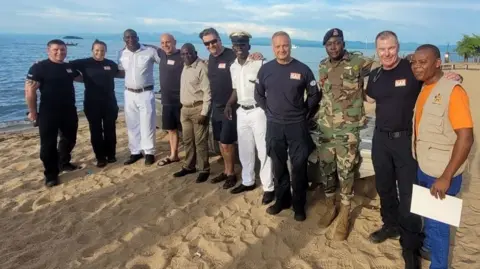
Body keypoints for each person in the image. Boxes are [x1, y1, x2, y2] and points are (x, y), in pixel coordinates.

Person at [365, 30, 463, 269]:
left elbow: (433, 78)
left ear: (397, 47)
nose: (386, 53)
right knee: (385, 187)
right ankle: (390, 224)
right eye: (382, 49)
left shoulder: (411, 69)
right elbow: (369, 100)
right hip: (380, 139)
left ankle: (410, 245)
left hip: (405, 141)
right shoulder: (375, 75)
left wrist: (452, 76)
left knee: (408, 193)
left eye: (390, 48)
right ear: (377, 50)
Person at [411, 44, 473, 269]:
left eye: (423, 62)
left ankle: (438, 265)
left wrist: (446, 177)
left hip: (443, 172)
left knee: (439, 227)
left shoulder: (453, 91)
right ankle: (427, 247)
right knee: (428, 217)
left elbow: (466, 138)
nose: (417, 67)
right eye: (414, 62)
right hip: (425, 165)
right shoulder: (425, 86)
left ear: (438, 63)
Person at [309, 28, 374, 240]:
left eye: (337, 43)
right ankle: (331, 206)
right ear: (325, 46)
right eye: (329, 44)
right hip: (326, 128)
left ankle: (345, 212)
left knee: (346, 171)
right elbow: (324, 94)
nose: (333, 47)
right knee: (327, 168)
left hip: (349, 128)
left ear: (343, 43)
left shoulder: (358, 61)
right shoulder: (322, 65)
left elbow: (386, 64)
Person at [255, 31, 321, 221]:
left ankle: (299, 205)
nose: (282, 49)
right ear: (272, 48)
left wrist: (304, 111)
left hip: (297, 126)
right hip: (275, 126)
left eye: (285, 45)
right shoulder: (265, 69)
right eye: (278, 46)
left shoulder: (303, 69)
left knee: (299, 167)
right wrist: (269, 111)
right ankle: (282, 201)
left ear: (290, 46)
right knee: (278, 166)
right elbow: (258, 94)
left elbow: (315, 94)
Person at [199, 27, 264, 189]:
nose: (211, 45)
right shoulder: (210, 58)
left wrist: (258, 55)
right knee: (221, 141)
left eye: (213, 41)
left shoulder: (232, 55)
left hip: (233, 107)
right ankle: (227, 170)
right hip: (217, 106)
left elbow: (249, 62)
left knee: (228, 142)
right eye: (207, 43)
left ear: (219, 40)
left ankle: (232, 174)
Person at [224, 31, 275, 205]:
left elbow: (272, 81)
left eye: (242, 45)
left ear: (249, 46)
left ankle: (269, 187)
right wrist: (229, 104)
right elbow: (236, 90)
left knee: (263, 150)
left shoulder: (260, 63)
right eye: (236, 45)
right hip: (241, 111)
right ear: (232, 47)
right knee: (245, 150)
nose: (239, 48)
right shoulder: (233, 67)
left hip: (258, 111)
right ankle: (248, 181)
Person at [25, 39, 82, 187]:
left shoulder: (68, 67)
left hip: (69, 110)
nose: (60, 52)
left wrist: (99, 76)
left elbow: (80, 77)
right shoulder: (39, 67)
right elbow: (30, 91)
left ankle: (63, 162)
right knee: (47, 145)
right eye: (56, 49)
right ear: (48, 50)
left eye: (63, 49)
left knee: (70, 139)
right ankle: (51, 174)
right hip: (48, 112)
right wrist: (32, 112)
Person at [70, 39, 120, 168]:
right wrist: (41, 64)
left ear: (106, 51)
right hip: (92, 103)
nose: (100, 52)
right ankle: (100, 157)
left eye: (102, 50)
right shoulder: (84, 63)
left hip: (110, 102)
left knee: (110, 129)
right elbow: (65, 66)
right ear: (92, 50)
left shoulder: (111, 64)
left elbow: (121, 73)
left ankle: (111, 155)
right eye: (97, 50)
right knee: (96, 130)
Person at [117, 29, 162, 166]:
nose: (130, 39)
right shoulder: (121, 53)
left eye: (133, 37)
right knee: (132, 124)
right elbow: (120, 72)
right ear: (124, 39)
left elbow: (164, 62)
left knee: (147, 123)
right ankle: (135, 152)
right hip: (129, 93)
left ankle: (149, 152)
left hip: (146, 92)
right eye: (127, 37)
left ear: (138, 37)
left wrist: (156, 47)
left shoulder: (149, 51)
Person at [173, 43, 211, 183]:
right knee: (188, 140)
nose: (186, 56)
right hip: (185, 110)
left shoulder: (201, 67)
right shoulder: (184, 66)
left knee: (200, 142)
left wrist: (204, 112)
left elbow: (208, 92)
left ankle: (204, 169)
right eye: (183, 54)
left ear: (195, 53)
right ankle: (189, 166)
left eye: (188, 53)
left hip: (198, 109)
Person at [155, 33, 184, 167]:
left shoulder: (183, 55)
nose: (165, 45)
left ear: (175, 42)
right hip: (167, 100)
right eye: (163, 43)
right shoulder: (161, 54)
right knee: (171, 129)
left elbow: (201, 62)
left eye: (168, 42)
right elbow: (146, 47)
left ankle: (192, 157)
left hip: (182, 100)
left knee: (186, 130)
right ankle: (174, 155)